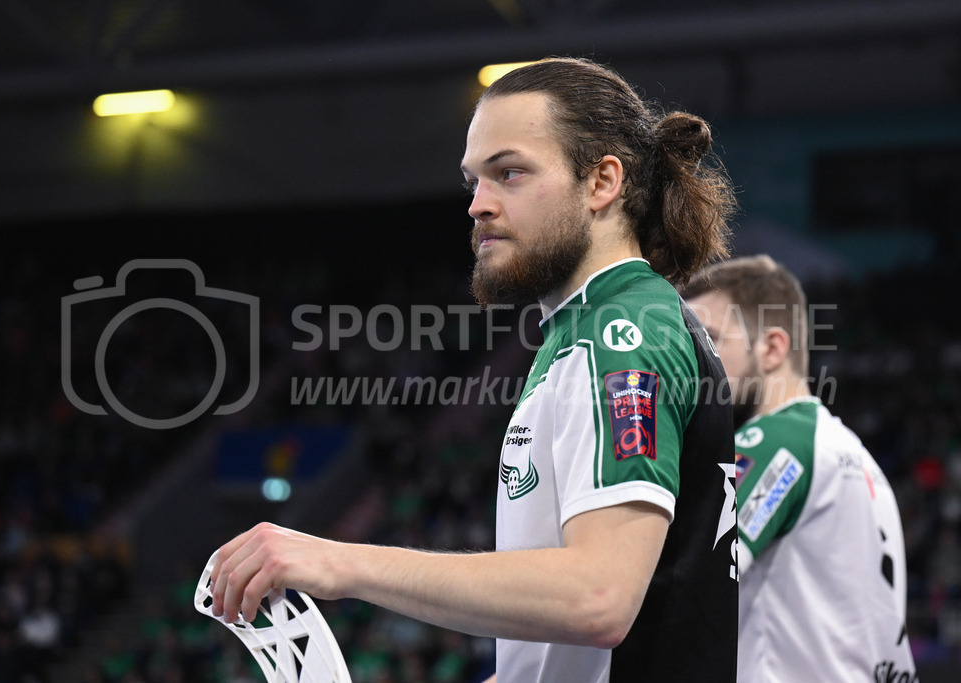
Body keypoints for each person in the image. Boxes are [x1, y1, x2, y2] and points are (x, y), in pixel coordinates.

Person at [209, 57, 739, 682]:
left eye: (509, 173)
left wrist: (338, 563)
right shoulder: (588, 329)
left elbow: (599, 597)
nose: (478, 206)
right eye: (473, 183)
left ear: (602, 182)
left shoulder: (619, 337)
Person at [682, 255, 919, 682]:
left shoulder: (775, 440)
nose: (695, 365)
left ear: (772, 348)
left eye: (710, 342)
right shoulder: (854, 454)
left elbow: (692, 580)